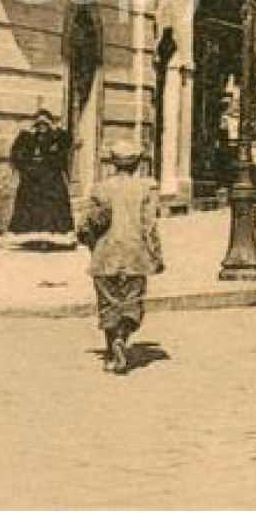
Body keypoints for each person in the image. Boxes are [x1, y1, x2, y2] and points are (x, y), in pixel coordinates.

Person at [77, 138, 163, 375]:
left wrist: (88, 242)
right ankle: (122, 338)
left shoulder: (100, 188)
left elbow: (86, 225)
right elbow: (150, 226)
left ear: (114, 162)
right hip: (135, 254)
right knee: (132, 302)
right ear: (136, 163)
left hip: (106, 254)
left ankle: (111, 347)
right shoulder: (146, 189)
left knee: (108, 303)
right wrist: (156, 255)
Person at [6, 109, 74, 246]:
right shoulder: (27, 138)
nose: (42, 128)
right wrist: (25, 169)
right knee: (28, 209)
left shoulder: (56, 137)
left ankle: (52, 239)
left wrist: (57, 129)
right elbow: (16, 154)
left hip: (52, 181)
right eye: (39, 124)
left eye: (45, 124)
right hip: (31, 182)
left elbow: (67, 142)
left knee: (53, 210)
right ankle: (29, 239)